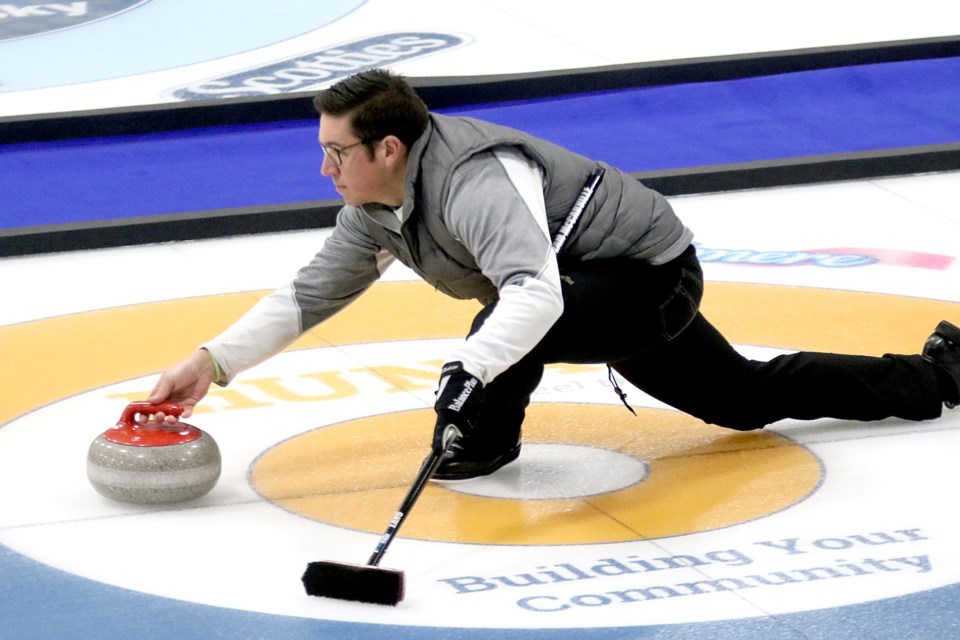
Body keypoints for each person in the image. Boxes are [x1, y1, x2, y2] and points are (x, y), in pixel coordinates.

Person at [148, 68, 960, 482]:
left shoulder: (476, 179)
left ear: (387, 149)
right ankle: (933, 379)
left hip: (649, 279)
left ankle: (483, 443)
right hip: (590, 287)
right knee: (741, 400)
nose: (324, 166)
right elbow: (308, 294)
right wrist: (209, 365)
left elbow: (532, 295)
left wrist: (469, 377)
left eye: (336, 151)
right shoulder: (373, 210)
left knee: (501, 330)